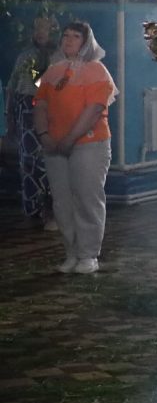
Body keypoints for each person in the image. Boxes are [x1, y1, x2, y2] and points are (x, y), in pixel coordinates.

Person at [33, 20, 117, 274]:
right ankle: (71, 252)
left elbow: (94, 109)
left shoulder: (96, 70)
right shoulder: (53, 70)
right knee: (62, 202)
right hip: (54, 144)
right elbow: (40, 104)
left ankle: (88, 255)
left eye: (75, 36)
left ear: (86, 42)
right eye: (66, 35)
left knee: (87, 198)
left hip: (88, 143)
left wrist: (70, 138)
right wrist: (44, 135)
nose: (68, 40)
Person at [6, 15, 57, 229]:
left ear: (51, 31)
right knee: (28, 161)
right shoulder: (25, 56)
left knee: (46, 161)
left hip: (48, 111)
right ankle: (32, 207)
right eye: (37, 28)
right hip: (25, 111)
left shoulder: (57, 56)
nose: (40, 33)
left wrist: (38, 72)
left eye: (44, 28)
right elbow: (13, 86)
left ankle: (50, 208)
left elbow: (44, 85)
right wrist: (9, 115)